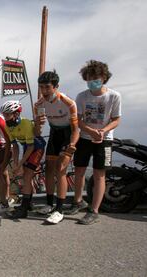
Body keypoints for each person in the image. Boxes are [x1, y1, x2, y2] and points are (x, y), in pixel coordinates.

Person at [67, 60, 121, 225]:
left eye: (95, 77)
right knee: (79, 171)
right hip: (85, 138)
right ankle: (78, 202)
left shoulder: (114, 96)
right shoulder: (82, 96)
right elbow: (79, 120)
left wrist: (103, 132)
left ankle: (94, 210)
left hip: (105, 140)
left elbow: (116, 119)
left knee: (99, 175)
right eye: (89, 78)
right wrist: (90, 131)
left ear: (104, 77)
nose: (92, 81)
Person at [34, 71, 80, 224]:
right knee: (49, 169)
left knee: (61, 169)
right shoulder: (39, 104)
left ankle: (59, 210)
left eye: (47, 87)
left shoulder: (68, 103)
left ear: (56, 87)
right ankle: (48, 204)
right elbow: (38, 128)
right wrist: (37, 124)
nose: (44, 91)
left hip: (68, 135)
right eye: (41, 88)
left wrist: (72, 145)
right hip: (55, 133)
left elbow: (75, 130)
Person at [1, 100, 46, 219]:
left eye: (7, 115)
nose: (5, 118)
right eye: (4, 115)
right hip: (26, 147)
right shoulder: (7, 126)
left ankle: (24, 209)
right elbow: (15, 146)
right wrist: (16, 164)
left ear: (16, 114)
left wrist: (20, 163)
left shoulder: (25, 124)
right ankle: (28, 203)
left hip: (36, 147)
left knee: (27, 176)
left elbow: (31, 147)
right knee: (27, 176)